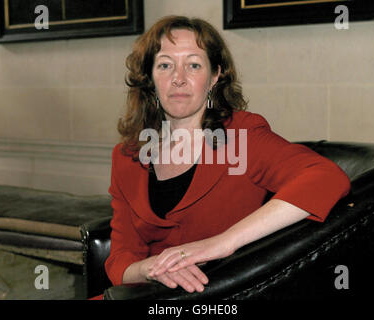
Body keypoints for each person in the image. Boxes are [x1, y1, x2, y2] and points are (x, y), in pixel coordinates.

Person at [104, 15, 351, 294]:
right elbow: (121, 260)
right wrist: (152, 268)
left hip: (225, 293)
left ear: (214, 76)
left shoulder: (241, 137)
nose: (178, 78)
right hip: (149, 293)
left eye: (193, 65)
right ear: (150, 79)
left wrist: (223, 242)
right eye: (165, 65)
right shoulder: (128, 156)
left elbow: (326, 178)